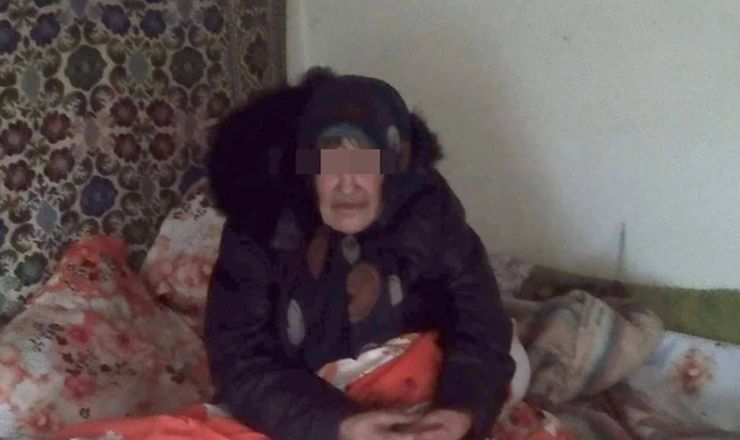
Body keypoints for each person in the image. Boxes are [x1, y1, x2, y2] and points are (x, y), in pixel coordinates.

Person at [205, 68, 516, 440]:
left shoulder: (425, 204)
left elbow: (479, 314)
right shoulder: (260, 221)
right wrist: (341, 424)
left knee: (510, 366)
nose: (347, 185)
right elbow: (239, 359)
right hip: (302, 389)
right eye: (329, 165)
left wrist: (460, 410)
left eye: (365, 164)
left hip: (407, 361)